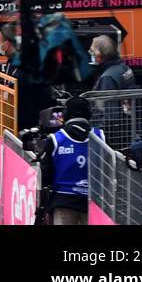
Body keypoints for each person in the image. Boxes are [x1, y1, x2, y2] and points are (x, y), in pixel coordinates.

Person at [39, 95, 102, 225]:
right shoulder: (100, 137)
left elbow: (45, 172)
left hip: (63, 200)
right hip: (93, 201)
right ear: (88, 114)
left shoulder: (56, 139)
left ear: (66, 114)